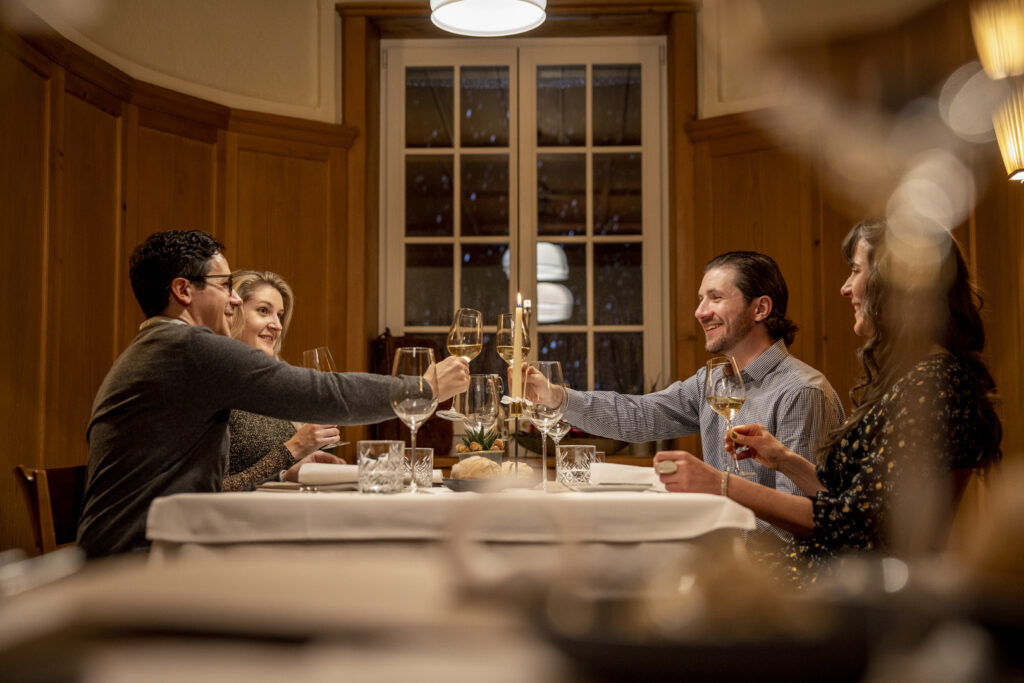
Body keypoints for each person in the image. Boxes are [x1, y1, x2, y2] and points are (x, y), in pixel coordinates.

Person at [78, 230, 469, 558]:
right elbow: (323, 394)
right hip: (139, 559)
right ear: (183, 289)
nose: (233, 299)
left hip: (139, 546)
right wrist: (423, 388)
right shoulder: (189, 348)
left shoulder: (156, 346)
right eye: (225, 285)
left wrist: (285, 465)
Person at [655, 220, 1002, 586]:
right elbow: (855, 501)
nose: (845, 288)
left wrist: (721, 484)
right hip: (834, 574)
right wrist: (782, 459)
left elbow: (852, 525)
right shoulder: (918, 376)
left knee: (676, 585)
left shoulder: (933, 384)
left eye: (855, 271)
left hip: (844, 590)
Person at [524, 251, 844, 539]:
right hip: (720, 557)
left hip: (774, 583)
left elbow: (804, 524)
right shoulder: (713, 380)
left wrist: (699, 522)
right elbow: (639, 416)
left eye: (715, 298)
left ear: (760, 308)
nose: (699, 312)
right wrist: (556, 397)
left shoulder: (802, 392)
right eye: (700, 299)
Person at [221, 270, 342, 492]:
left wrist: (303, 463)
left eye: (279, 315)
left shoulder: (267, 390)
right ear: (232, 312)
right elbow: (211, 490)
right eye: (263, 311)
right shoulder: (215, 388)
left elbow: (275, 474)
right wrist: (294, 449)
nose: (277, 324)